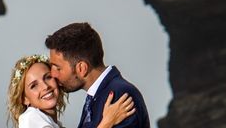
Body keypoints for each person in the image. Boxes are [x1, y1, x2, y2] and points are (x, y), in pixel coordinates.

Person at [45, 22, 150, 128]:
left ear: (81, 68)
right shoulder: (95, 96)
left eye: (58, 68)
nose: (53, 74)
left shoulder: (120, 95)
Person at [8, 53, 136, 128]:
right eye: (33, 86)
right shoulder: (31, 119)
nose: (45, 87)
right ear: (24, 99)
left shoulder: (50, 122)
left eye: (48, 77)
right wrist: (108, 121)